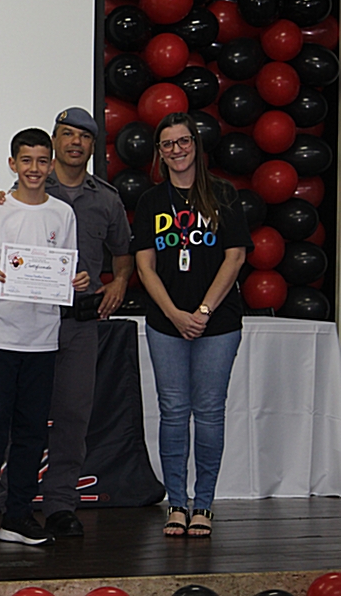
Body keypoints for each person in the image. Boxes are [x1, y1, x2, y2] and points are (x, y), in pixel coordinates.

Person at [0, 107, 133, 537]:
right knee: (18, 416)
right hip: (24, 321)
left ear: (93, 146)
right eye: (67, 134)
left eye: (84, 136)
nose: (75, 142)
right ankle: (12, 503)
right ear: (53, 142)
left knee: (72, 417)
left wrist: (120, 282)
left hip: (79, 323)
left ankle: (61, 504)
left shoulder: (106, 198)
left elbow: (123, 253)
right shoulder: (17, 192)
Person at [0, 128, 89, 547]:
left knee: (32, 431)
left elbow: (67, 270)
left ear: (51, 165)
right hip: (0, 334)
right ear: (12, 164)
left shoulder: (62, 214)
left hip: (43, 337)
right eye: (26, 160)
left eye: (41, 161)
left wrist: (77, 280)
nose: (34, 168)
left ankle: (17, 517)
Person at [130, 112, 250, 538]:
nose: (176, 150)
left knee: (210, 413)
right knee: (174, 412)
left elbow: (235, 257)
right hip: (167, 324)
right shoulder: (151, 201)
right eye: (167, 144)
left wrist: (202, 311)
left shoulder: (223, 193)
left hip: (218, 323)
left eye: (183, 141)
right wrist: (175, 314)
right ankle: (177, 504)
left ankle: (204, 504)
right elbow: (144, 266)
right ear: (159, 154)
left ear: (195, 145)